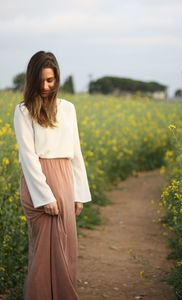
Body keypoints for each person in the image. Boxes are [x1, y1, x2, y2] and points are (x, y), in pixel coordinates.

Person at [14, 51, 92, 300]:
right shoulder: (23, 111)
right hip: (39, 184)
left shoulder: (68, 109)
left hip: (66, 180)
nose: (46, 86)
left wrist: (79, 193)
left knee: (66, 250)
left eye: (50, 80)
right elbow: (28, 157)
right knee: (43, 252)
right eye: (40, 80)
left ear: (57, 78)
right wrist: (44, 197)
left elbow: (75, 153)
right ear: (31, 79)